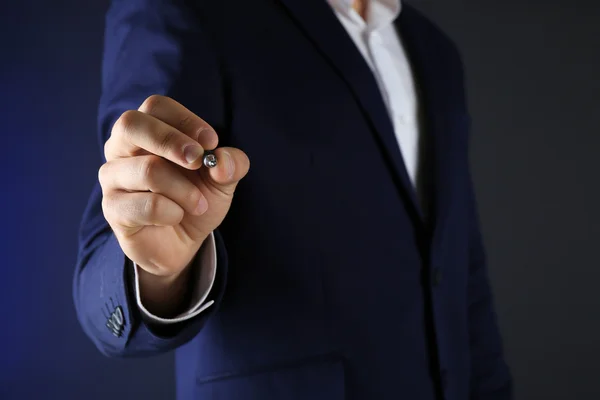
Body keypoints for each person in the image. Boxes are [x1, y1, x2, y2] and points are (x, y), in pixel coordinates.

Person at [73, 0, 513, 399]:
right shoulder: (184, 9)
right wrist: (157, 273)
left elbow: (458, 266)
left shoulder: (435, 51)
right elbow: (107, 262)